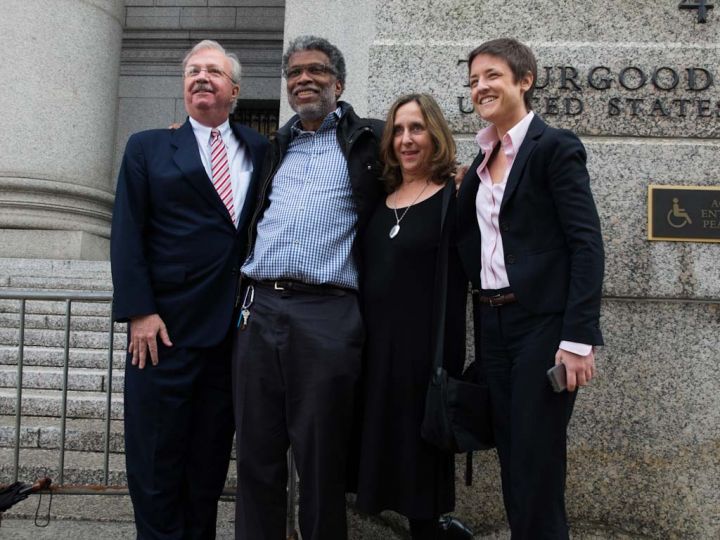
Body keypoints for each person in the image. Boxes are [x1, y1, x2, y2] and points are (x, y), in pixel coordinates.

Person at [110, 40, 268, 539]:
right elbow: (127, 232)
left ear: (234, 89)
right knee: (156, 467)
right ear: (183, 86)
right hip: (162, 334)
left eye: (214, 72)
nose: (201, 77)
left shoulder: (262, 150)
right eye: (193, 71)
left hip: (228, 338)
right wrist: (139, 311)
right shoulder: (148, 146)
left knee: (206, 469)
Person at [231, 35, 384, 540]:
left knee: (320, 459)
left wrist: (454, 173)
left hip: (329, 312)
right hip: (260, 307)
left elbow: (421, 157)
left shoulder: (369, 141)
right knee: (257, 453)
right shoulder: (273, 146)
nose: (304, 79)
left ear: (338, 83)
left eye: (316, 70)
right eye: (295, 72)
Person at [455, 38, 604, 539]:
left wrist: (577, 340)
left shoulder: (554, 147)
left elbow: (586, 246)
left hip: (543, 325)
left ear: (524, 80)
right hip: (492, 324)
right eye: (474, 80)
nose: (481, 87)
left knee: (537, 460)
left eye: (492, 75)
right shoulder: (480, 162)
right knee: (513, 456)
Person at [354, 94, 467, 539]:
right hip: (374, 354)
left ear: (435, 134)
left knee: (422, 477)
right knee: (379, 462)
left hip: (425, 358)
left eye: (416, 128)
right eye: (398, 130)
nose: (406, 139)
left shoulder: (456, 197)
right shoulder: (380, 199)